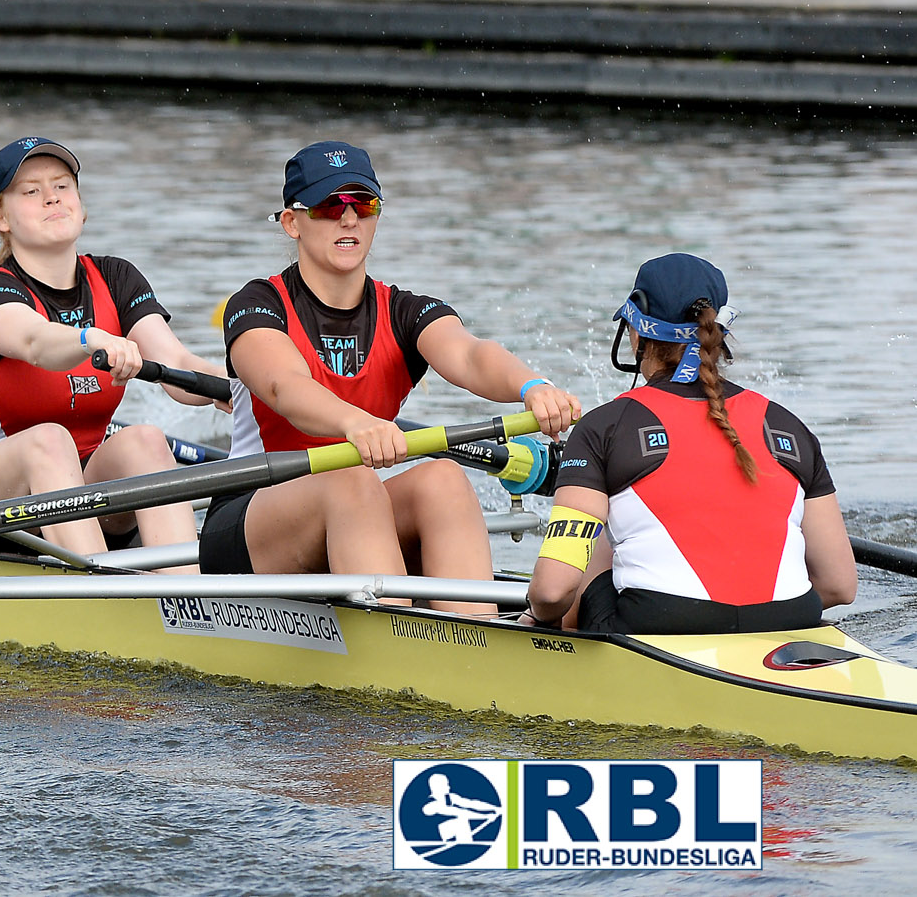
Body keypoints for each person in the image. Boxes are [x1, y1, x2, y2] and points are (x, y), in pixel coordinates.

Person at [203, 141, 582, 614]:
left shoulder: (403, 311)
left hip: (348, 511)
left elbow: (469, 355)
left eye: (363, 205)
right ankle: (399, 645)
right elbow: (284, 385)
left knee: (442, 479)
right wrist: (353, 422)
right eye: (328, 206)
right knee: (351, 479)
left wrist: (532, 387)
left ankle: (476, 639)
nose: (348, 220)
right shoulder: (258, 304)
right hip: (250, 520)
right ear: (291, 222)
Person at [527, 255, 854, 634]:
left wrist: (538, 619)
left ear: (636, 331)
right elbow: (839, 584)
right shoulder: (787, 425)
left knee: (594, 534)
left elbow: (552, 591)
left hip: (656, 624)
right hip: (791, 619)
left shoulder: (604, 426)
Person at [0, 138, 227, 564]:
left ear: (81, 204)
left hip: (82, 483)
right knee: (49, 441)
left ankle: (181, 597)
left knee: (144, 440)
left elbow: (179, 365)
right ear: (0, 217)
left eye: (62, 186)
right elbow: (34, 343)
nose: (51, 196)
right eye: (31, 191)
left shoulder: (116, 277)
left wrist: (247, 388)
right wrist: (91, 338)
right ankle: (103, 598)